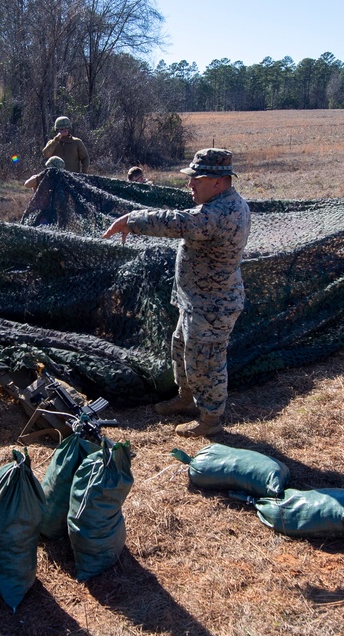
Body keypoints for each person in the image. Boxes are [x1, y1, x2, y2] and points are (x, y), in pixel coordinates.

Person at [102, 148, 250, 437]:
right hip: (197, 300)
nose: (190, 185)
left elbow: (178, 222)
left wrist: (132, 220)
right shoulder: (221, 204)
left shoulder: (220, 213)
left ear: (218, 182)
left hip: (212, 306)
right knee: (182, 348)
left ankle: (210, 419)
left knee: (207, 362)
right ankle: (186, 399)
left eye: (197, 179)